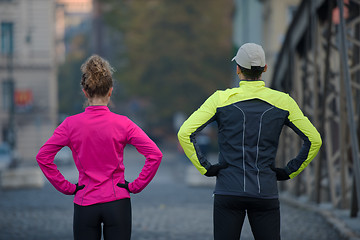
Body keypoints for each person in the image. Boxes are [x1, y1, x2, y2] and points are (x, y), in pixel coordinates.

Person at [177, 43, 322, 240]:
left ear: (238, 69)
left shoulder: (220, 99)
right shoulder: (283, 101)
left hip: (228, 189)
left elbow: (184, 133)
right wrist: (290, 171)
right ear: (265, 69)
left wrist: (206, 168)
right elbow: (314, 140)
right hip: (265, 190)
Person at [36, 55, 162, 240]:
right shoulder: (123, 123)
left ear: (85, 92)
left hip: (85, 201)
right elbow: (155, 154)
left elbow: (43, 156)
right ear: (110, 91)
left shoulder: (70, 124)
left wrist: (67, 188)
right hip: (118, 201)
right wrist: (135, 186)